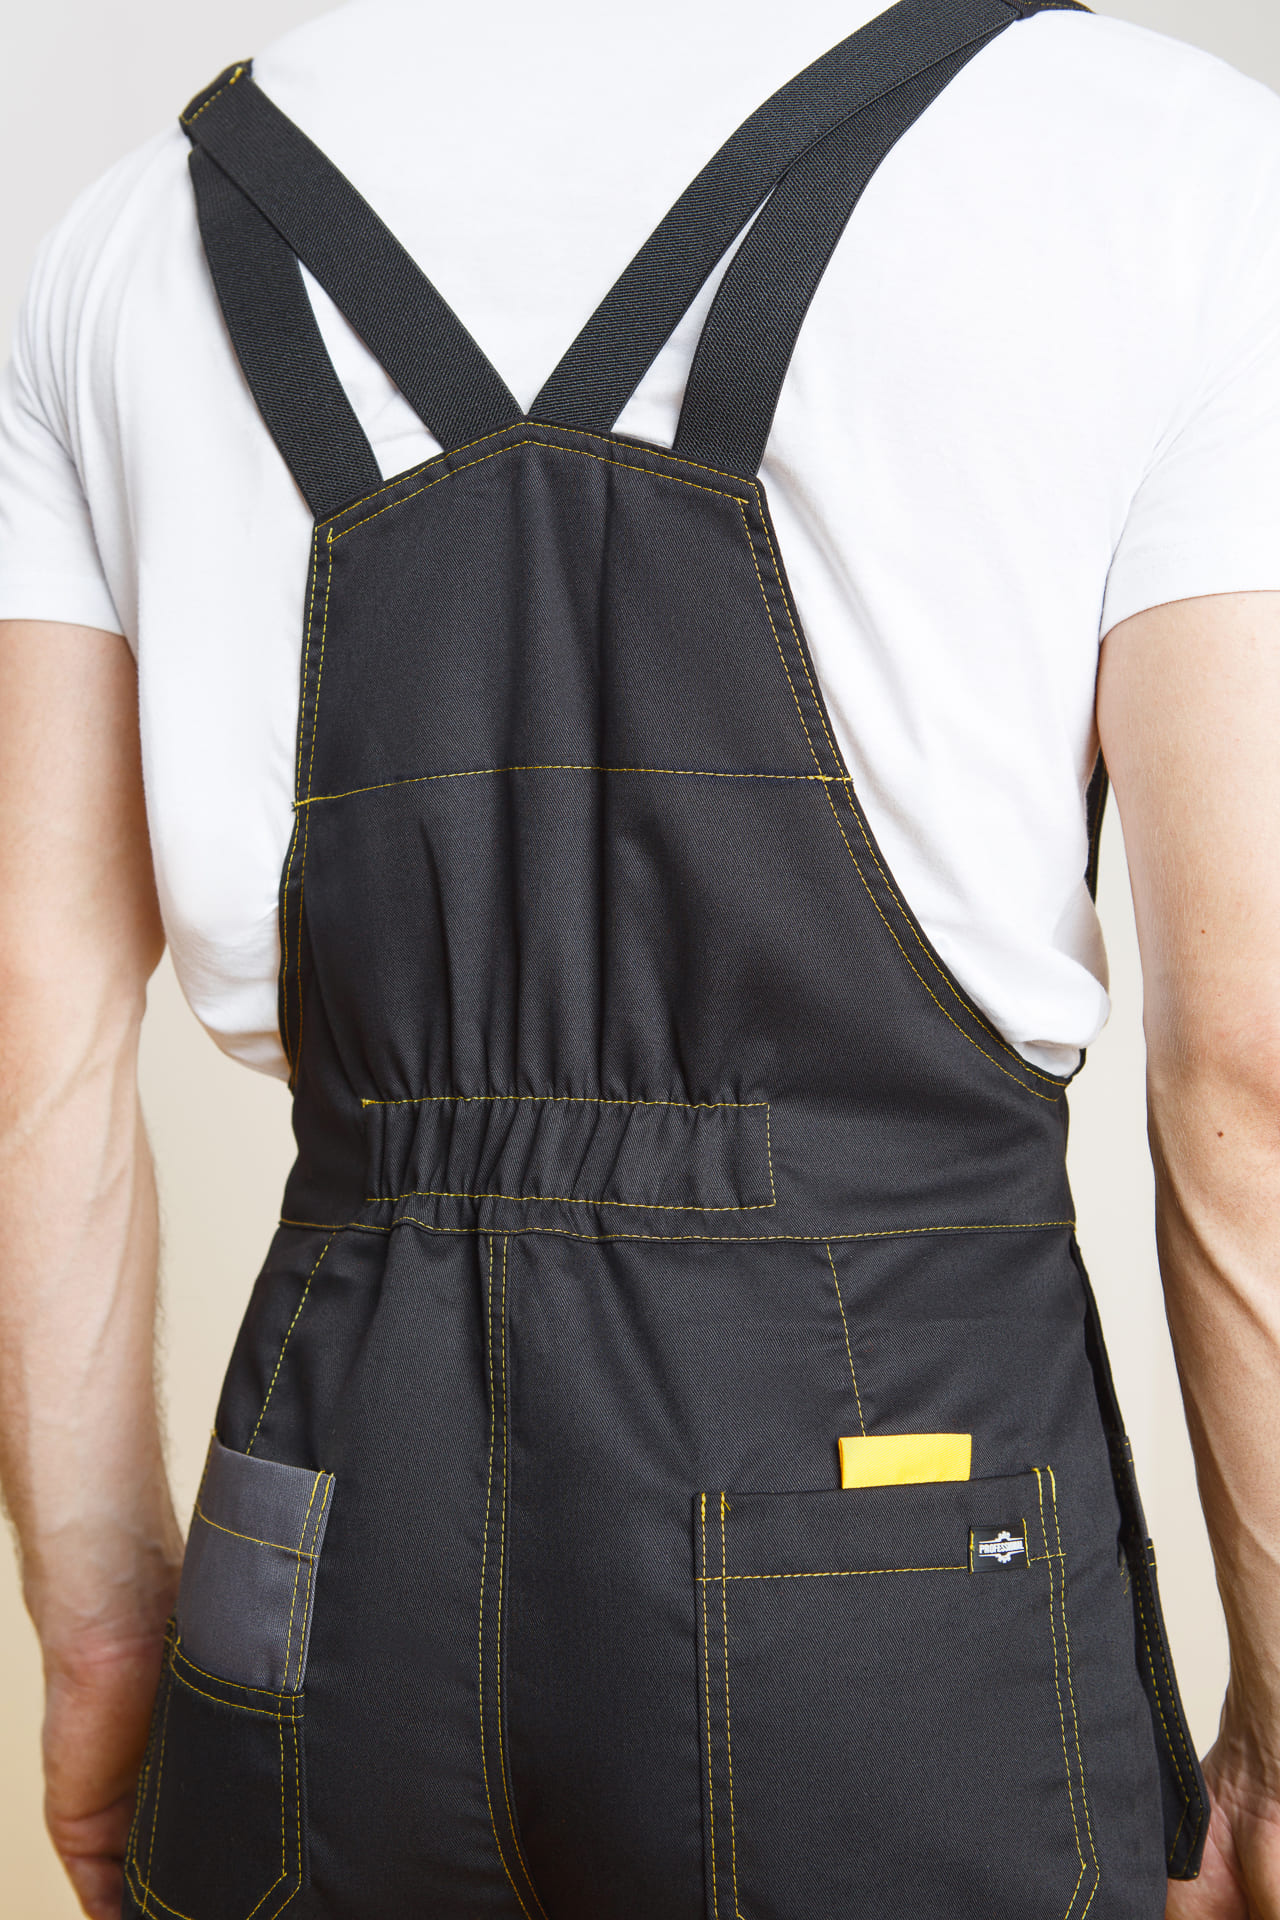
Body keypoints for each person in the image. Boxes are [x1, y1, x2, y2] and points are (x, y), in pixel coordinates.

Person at [3, 0, 1280, 1914]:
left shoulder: (137, 230)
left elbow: (29, 1031)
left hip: (324, 1517)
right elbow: (1252, 1067)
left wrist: (104, 1629)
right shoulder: (1167, 163)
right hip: (889, 1522)